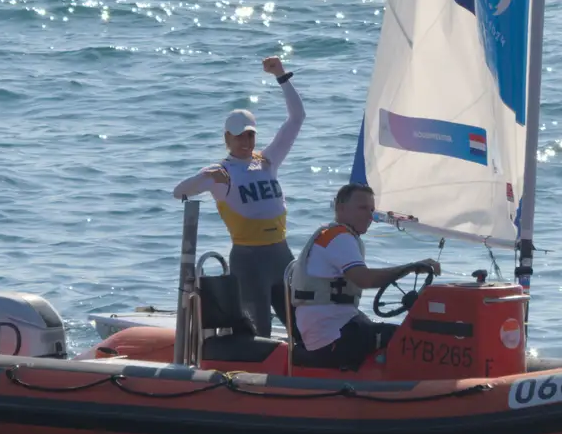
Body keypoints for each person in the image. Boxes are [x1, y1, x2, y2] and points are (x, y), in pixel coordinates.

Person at [173, 57, 305, 336]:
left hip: (282, 255)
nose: (245, 142)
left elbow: (297, 119)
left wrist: (282, 76)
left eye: (250, 136)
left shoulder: (268, 160)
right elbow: (180, 191)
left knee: (302, 327)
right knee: (259, 332)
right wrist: (205, 179)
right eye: (239, 137)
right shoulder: (222, 172)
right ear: (227, 139)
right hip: (249, 261)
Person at [289, 185, 440, 370]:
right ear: (340, 208)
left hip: (328, 330)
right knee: (411, 340)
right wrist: (409, 268)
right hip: (331, 337)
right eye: (362, 208)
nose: (370, 216)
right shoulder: (339, 238)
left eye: (371, 209)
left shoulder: (331, 234)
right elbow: (365, 279)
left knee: (390, 331)